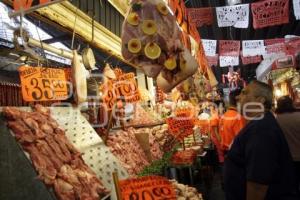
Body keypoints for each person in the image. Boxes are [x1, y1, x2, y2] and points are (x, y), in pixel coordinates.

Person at [224, 80, 299, 200]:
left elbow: (257, 184)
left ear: (260, 101)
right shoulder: (259, 124)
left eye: (245, 93)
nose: (238, 97)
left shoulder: (261, 129)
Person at [275, 96, 300, 191]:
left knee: (291, 186)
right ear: (292, 104)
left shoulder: (276, 120)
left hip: (286, 160)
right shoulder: (298, 117)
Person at [219, 88, 246, 155]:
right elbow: (242, 141)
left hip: (227, 152)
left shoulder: (223, 116)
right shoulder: (238, 118)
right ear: (238, 100)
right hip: (236, 154)